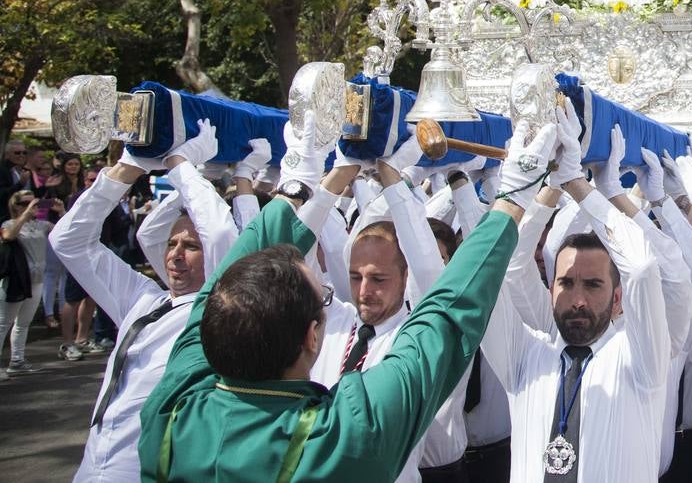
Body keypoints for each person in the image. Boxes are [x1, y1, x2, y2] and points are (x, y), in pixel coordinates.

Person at [136, 113, 540, 482]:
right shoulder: (339, 437)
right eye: (327, 294)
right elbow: (446, 318)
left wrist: (298, 185)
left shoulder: (170, 414)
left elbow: (221, 289)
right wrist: (514, 195)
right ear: (312, 337)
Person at [480, 117, 681, 483]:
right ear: (550, 288)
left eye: (592, 285)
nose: (576, 300)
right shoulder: (526, 357)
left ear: (618, 298)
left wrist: (577, 183)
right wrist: (532, 191)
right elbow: (490, 274)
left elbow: (640, 266)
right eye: (566, 283)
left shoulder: (639, 361)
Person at [49, 121, 237, 482]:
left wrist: (183, 166)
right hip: (92, 464)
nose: (176, 255)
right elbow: (68, 241)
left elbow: (221, 232)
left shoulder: (215, 308)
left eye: (191, 247)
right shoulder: (143, 299)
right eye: (172, 245)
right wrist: (127, 168)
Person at [0, 188, 64, 376]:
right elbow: (8, 236)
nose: (31, 206)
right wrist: (26, 214)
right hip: (16, 280)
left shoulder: (41, 225)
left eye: (33, 202)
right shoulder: (10, 223)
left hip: (37, 280)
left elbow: (65, 232)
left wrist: (61, 212)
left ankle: (17, 360)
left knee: (23, 323)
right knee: (4, 323)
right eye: (25, 203)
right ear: (16, 206)